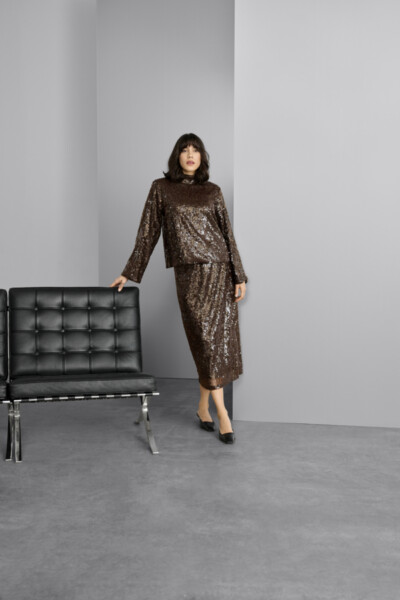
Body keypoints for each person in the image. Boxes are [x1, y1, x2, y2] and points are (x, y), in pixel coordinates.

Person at [110, 133, 248, 444]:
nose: (190, 154)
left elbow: (227, 234)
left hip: (219, 272)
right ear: (177, 156)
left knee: (214, 344)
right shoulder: (161, 188)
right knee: (204, 342)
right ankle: (220, 411)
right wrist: (128, 272)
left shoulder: (213, 191)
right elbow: (148, 233)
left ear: (202, 157)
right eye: (185, 149)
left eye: (195, 150)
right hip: (189, 275)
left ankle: (209, 409)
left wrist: (238, 275)